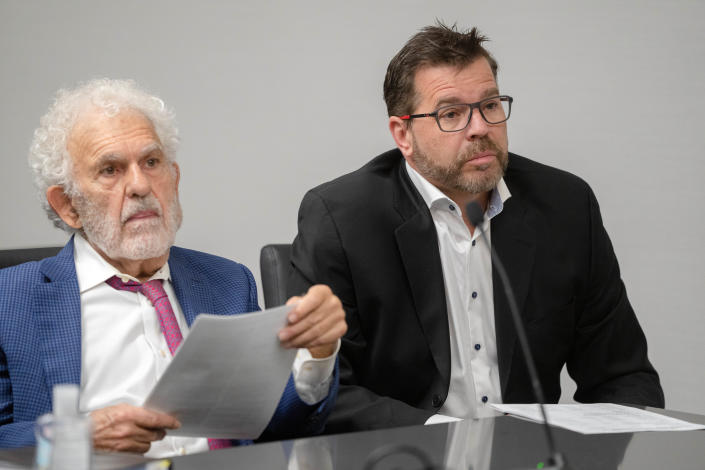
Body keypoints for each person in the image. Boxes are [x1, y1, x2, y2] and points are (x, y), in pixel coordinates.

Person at [287, 23, 664, 433]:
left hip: (529, 458)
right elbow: (323, 395)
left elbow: (624, 377)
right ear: (403, 134)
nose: (480, 128)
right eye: (451, 114)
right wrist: (444, 441)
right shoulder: (342, 218)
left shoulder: (565, 207)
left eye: (490, 105)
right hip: (407, 455)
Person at [0, 79, 347, 456]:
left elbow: (274, 430)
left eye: (152, 162)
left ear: (175, 178)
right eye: (110, 169)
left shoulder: (228, 282)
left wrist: (316, 355)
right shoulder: (11, 300)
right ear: (67, 205)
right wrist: (74, 437)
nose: (140, 185)